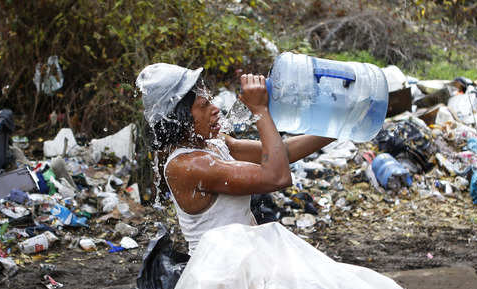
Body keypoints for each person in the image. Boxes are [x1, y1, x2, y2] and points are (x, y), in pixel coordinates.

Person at [136, 63, 334, 254]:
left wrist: (339, 127)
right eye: (204, 105)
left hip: (245, 258)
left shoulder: (214, 143)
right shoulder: (190, 165)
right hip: (223, 272)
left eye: (210, 101)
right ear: (179, 118)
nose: (215, 109)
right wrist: (260, 110)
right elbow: (278, 177)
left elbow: (284, 152)